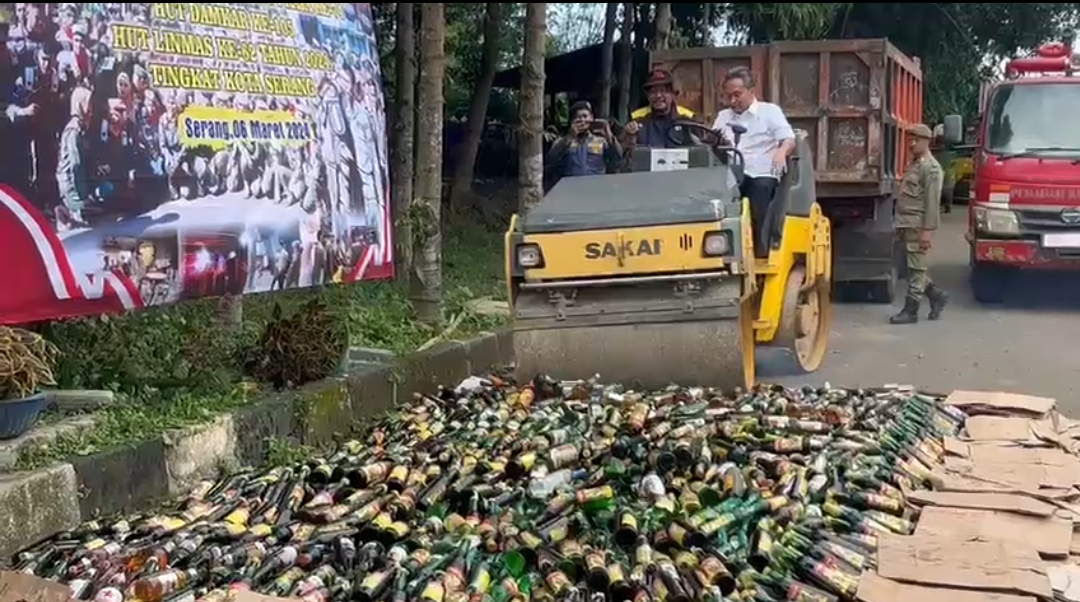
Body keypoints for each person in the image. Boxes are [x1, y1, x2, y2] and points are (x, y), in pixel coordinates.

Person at [711, 67, 795, 255]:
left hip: (761, 173)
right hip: (731, 174)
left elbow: (788, 139)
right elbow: (714, 144)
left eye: (737, 95)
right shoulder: (723, 117)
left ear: (751, 91)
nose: (732, 101)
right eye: (728, 96)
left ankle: (759, 250)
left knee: (759, 193)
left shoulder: (769, 112)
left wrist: (781, 152)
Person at [891, 123, 947, 325]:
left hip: (917, 225)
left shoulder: (931, 169)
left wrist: (927, 232)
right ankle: (936, 296)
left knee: (916, 269)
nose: (911, 144)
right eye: (909, 140)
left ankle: (911, 310)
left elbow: (932, 203)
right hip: (906, 224)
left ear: (926, 141)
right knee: (915, 267)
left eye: (915, 140)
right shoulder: (914, 164)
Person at [545, 100, 622, 178]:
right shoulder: (563, 141)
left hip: (595, 185)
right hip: (571, 185)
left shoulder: (601, 141)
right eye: (578, 117)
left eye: (585, 116)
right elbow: (551, 159)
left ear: (591, 118)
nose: (582, 120)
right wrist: (570, 136)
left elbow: (618, 157)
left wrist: (609, 134)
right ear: (572, 122)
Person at [624, 69, 698, 149]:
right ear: (647, 96)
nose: (658, 95)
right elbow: (625, 153)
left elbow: (702, 150)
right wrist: (630, 138)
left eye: (663, 91)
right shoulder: (637, 118)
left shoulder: (688, 118)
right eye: (653, 92)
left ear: (673, 94)